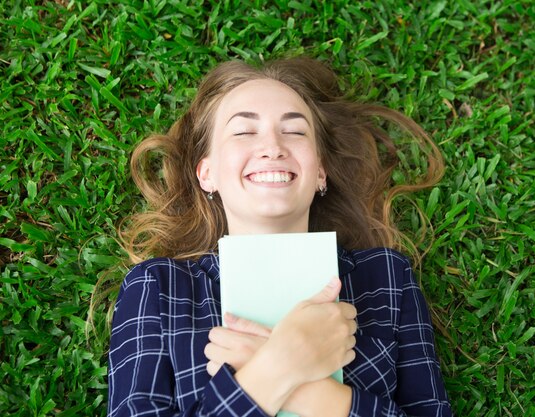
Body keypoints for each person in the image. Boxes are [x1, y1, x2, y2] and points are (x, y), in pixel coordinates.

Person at [106, 56, 452, 417]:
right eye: (244, 131)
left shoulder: (386, 277)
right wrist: (281, 365)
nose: (273, 146)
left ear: (320, 172)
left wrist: (305, 388)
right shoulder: (160, 286)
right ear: (207, 173)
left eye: (295, 131)